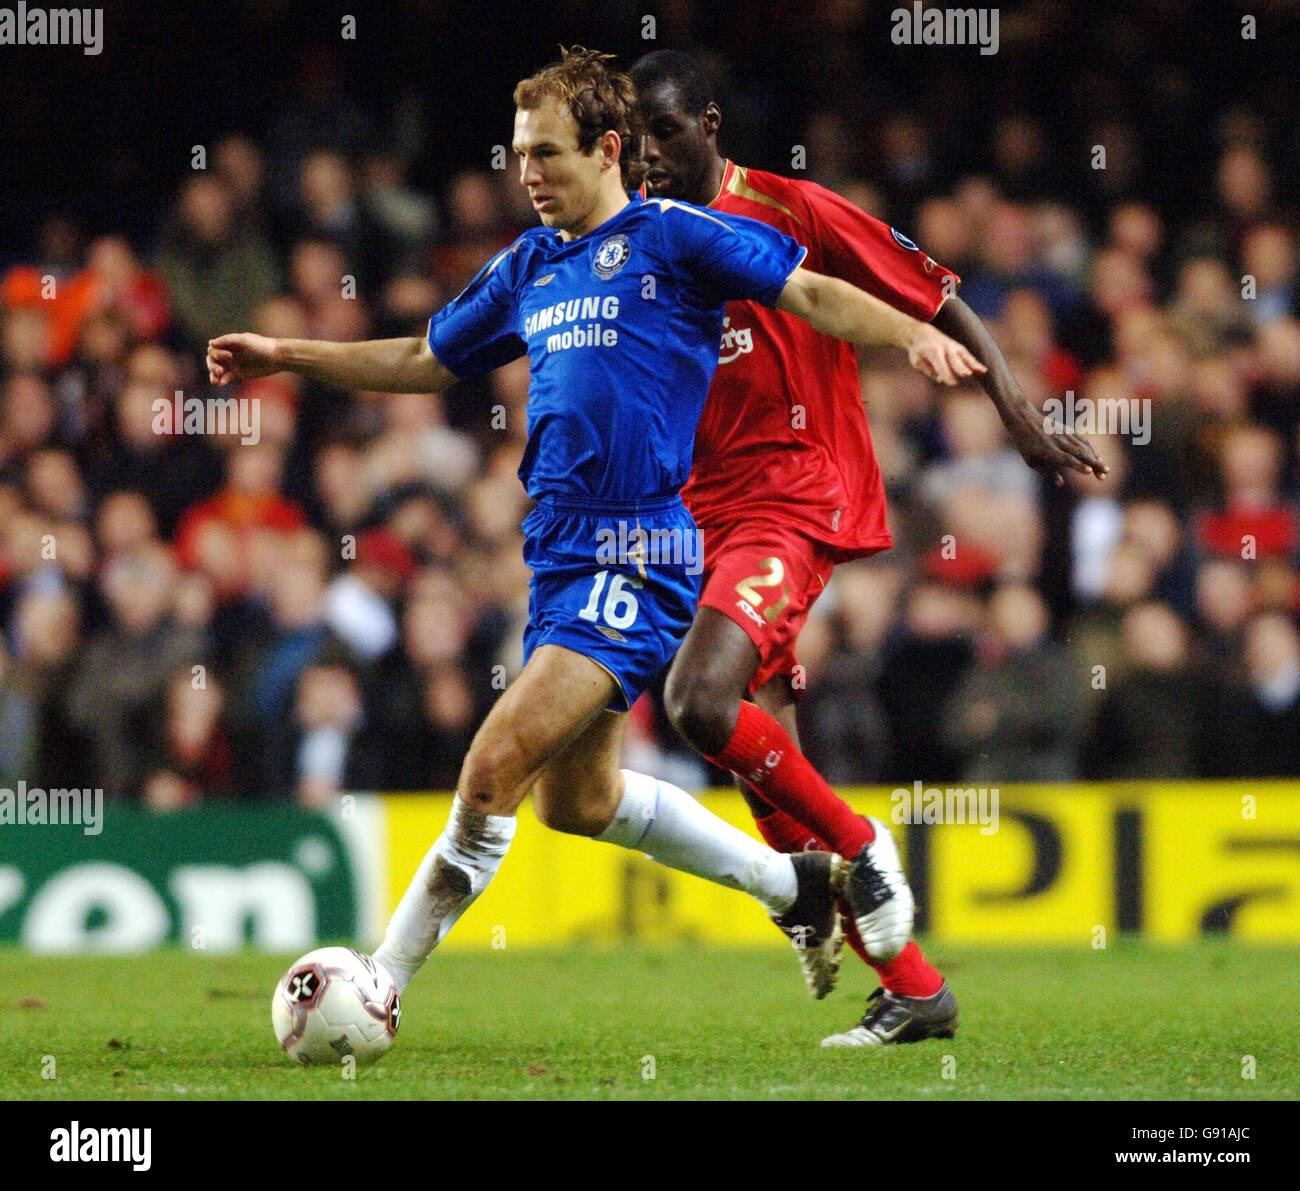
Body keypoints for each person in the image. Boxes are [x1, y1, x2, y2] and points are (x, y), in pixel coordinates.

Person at [207, 47, 984, 1037]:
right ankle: (791, 885)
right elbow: (420, 357)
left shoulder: (674, 238)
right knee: (576, 803)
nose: (526, 172)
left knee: (492, 768)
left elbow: (809, 292)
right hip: (559, 560)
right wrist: (287, 356)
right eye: (516, 153)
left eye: (545, 152)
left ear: (607, 149)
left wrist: (909, 332)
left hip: (640, 556)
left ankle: (384, 981)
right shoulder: (528, 265)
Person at [629, 50, 1108, 1046]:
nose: (649, 157)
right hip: (698, 512)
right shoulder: (630, 235)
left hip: (792, 494)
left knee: (700, 699)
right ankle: (914, 987)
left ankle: (854, 852)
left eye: (666, 136)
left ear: (709, 125)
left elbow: (933, 292)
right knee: (750, 748)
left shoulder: (791, 209)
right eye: (632, 143)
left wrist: (1013, 411)